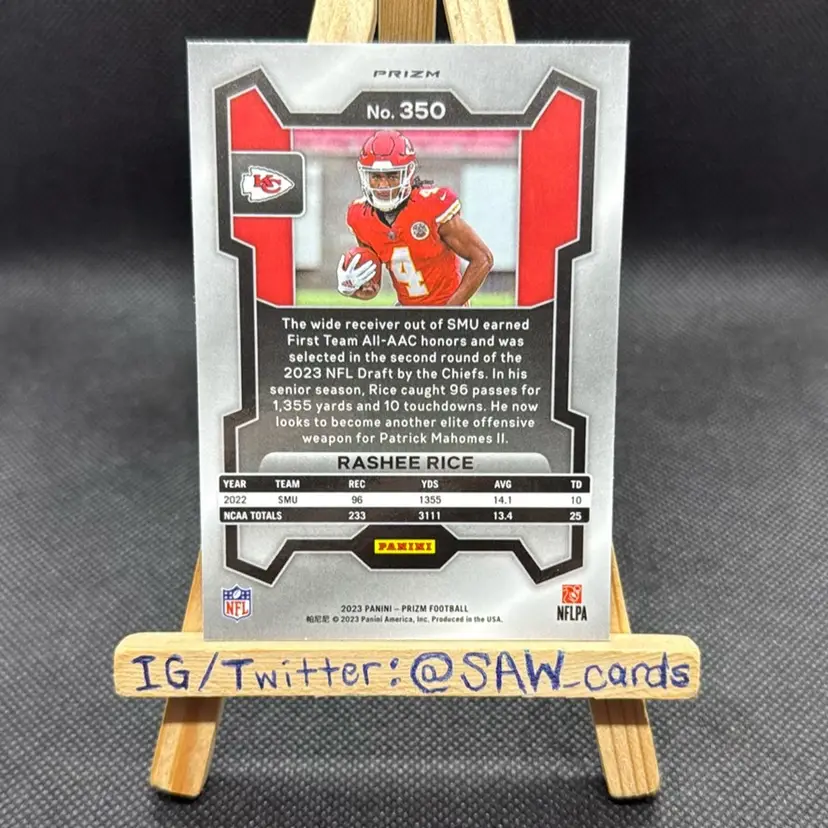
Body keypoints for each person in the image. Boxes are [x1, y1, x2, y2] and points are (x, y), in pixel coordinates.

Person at [337, 130, 493, 306]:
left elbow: (483, 258)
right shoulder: (360, 217)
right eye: (376, 176)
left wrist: (450, 311)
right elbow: (372, 287)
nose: (383, 185)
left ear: (407, 174)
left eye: (392, 176)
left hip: (446, 306)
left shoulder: (431, 207)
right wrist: (354, 288)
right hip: (406, 311)